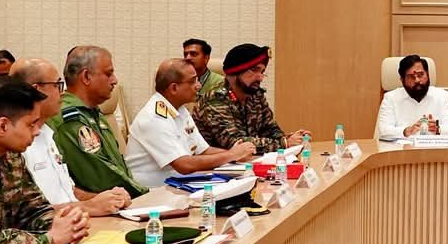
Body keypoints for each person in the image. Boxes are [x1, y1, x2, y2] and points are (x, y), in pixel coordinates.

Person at [10, 58, 132, 216]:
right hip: (50, 228)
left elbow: (67, 190)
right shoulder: (16, 144)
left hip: (75, 221)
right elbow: (26, 214)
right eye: (57, 85)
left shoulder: (47, 133)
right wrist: (89, 207)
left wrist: (105, 199)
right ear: (36, 91)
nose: (63, 93)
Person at [0, 77, 90, 244]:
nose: (37, 131)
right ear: (3, 126)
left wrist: (66, 224)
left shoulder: (12, 158)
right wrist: (50, 239)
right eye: (31, 124)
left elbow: (33, 210)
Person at [126, 59, 257, 187]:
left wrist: (236, 155)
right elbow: (184, 165)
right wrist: (231, 155)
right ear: (174, 88)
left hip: (177, 186)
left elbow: (204, 151)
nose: (199, 85)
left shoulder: (179, 109)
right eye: (193, 81)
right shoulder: (154, 117)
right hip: (151, 194)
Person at [49, 46, 148, 197]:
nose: (115, 80)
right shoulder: (70, 118)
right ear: (86, 77)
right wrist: (144, 195)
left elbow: (117, 165)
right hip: (96, 204)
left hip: (118, 200)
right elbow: (102, 178)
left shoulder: (93, 111)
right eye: (108, 74)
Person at [194, 43, 309, 153]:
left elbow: (270, 129)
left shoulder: (256, 95)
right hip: (215, 163)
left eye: (262, 72)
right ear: (235, 71)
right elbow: (236, 143)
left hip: (247, 161)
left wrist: (291, 139)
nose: (260, 78)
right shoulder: (215, 100)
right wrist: (284, 143)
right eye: (254, 70)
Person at [376, 55, 448, 139]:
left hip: (432, 146)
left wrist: (438, 129)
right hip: (402, 147)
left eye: (420, 74)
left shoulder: (441, 96)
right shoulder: (391, 98)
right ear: (402, 80)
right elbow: (383, 131)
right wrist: (406, 131)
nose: (417, 80)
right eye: (411, 77)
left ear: (428, 75)